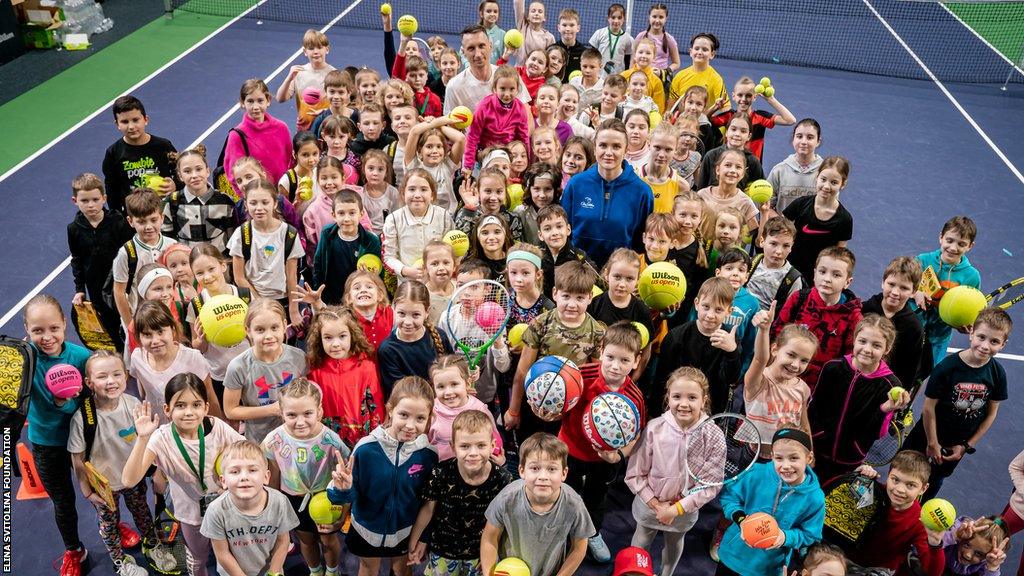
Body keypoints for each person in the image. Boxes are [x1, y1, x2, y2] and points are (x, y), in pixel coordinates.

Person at [122, 373, 246, 576]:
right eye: (180, 405)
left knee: (232, 553)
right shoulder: (160, 439)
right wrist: (143, 438)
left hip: (227, 506)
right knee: (198, 558)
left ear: (206, 408)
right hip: (191, 513)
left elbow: (247, 454)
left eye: (196, 405)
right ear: (167, 410)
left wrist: (234, 477)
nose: (189, 412)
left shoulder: (217, 428)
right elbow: (129, 480)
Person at [69, 351, 173, 576]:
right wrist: (87, 491)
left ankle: (152, 545)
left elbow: (146, 442)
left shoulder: (134, 404)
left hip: (133, 478)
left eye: (117, 374)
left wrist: (155, 470)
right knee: (109, 525)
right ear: (89, 382)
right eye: (102, 376)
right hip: (104, 488)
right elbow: (77, 459)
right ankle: (119, 561)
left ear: (126, 376)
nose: (111, 381)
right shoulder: (83, 417)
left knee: (142, 513)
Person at [552, 322, 646, 562]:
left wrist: (619, 455)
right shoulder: (580, 375)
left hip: (603, 459)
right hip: (569, 449)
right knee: (565, 493)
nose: (615, 366)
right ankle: (561, 533)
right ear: (601, 351)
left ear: (636, 361)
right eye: (611, 357)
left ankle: (591, 532)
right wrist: (548, 411)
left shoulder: (634, 397)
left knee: (596, 497)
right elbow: (557, 405)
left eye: (625, 360)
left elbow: (636, 435)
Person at [328, 377, 439, 576]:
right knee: (369, 568)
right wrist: (343, 490)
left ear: (429, 417)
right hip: (366, 530)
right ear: (390, 410)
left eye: (420, 418)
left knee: (402, 569)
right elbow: (346, 495)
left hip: (405, 531)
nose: (410, 426)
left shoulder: (429, 455)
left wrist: (424, 537)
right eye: (403, 415)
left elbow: (429, 502)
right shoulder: (366, 448)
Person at [905, 307, 1011, 500]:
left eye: (994, 341)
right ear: (971, 333)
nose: (985, 346)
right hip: (925, 437)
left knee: (934, 483)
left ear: (1003, 344)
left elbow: (990, 414)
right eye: (981, 337)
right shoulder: (946, 367)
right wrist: (932, 442)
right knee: (904, 475)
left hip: (955, 447)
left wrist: (966, 446)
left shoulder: (997, 374)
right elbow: (928, 409)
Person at [627, 367, 722, 576]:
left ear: (704, 399)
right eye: (677, 396)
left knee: (674, 542)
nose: (684, 403)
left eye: (692, 397)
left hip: (683, 511)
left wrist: (676, 509)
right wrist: (655, 503)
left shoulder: (713, 434)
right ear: (667, 397)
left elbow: (710, 484)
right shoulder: (654, 428)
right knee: (641, 541)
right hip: (650, 506)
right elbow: (635, 474)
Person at [22, 295, 92, 576]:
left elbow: (92, 402)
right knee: (63, 502)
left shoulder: (81, 357)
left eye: (53, 328)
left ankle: (114, 528)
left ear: (64, 324)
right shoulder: (24, 361)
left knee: (103, 492)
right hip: (46, 443)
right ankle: (74, 550)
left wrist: (69, 403)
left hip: (86, 439)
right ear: (26, 329)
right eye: (38, 331)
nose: (47, 337)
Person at [505, 259, 606, 433]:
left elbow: (595, 377)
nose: (572, 304)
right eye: (566, 296)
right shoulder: (540, 324)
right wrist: (514, 410)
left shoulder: (596, 332)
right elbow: (522, 370)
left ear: (590, 297)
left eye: (580, 298)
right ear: (555, 293)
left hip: (572, 407)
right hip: (535, 403)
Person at [409, 409, 514, 573]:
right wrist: (415, 541)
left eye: (481, 445)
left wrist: (495, 553)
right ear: (453, 446)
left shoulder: (503, 479)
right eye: (465, 446)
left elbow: (505, 522)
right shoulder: (441, 472)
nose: (473, 453)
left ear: (492, 445)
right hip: (442, 550)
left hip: (480, 553)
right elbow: (429, 510)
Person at [261, 379, 349, 576]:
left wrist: (343, 511)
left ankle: (333, 571)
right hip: (293, 499)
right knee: (306, 540)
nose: (300, 422)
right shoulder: (274, 439)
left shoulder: (331, 441)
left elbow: (344, 478)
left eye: (307, 413)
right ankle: (315, 571)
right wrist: (274, 506)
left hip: (326, 499)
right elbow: (273, 473)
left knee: (328, 540)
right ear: (281, 413)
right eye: (291, 415)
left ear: (319, 411)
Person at [809, 314, 909, 484]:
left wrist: (884, 409)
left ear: (887, 348)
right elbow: (813, 410)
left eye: (876, 345)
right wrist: (811, 440)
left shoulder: (890, 385)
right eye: (862, 341)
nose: (867, 349)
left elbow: (877, 433)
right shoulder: (832, 368)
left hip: (850, 459)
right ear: (854, 340)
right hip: (815, 451)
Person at [480, 433, 594, 576]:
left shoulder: (573, 504)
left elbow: (579, 548)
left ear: (564, 473)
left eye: (552, 469)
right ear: (522, 470)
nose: (543, 477)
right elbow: (489, 538)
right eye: (535, 468)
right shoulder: (507, 498)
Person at [717, 428, 825, 576]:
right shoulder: (756, 472)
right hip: (732, 557)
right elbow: (729, 497)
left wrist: (785, 537)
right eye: (779, 458)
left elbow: (810, 535)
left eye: (794, 458)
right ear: (772, 456)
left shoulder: (815, 498)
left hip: (768, 569)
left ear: (809, 458)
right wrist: (741, 520)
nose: (786, 465)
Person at [561, 119, 654, 268]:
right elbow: (564, 232)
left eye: (616, 146)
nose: (608, 153)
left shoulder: (642, 192)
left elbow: (640, 243)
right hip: (577, 272)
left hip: (619, 275)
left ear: (626, 150)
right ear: (594, 148)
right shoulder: (576, 185)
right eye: (603, 145)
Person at [200, 440, 298, 576]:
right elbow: (222, 553)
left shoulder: (279, 502)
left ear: (266, 477)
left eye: (252, 470)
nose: (244, 477)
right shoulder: (216, 510)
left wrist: (274, 572)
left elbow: (283, 541)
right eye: (235, 471)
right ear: (223, 481)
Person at [772, 247, 863, 390]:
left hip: (821, 388)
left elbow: (850, 358)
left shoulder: (853, 316)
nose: (827, 279)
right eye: (822, 271)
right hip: (784, 377)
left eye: (836, 275)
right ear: (814, 274)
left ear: (848, 281)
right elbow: (777, 334)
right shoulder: (798, 299)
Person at [843, 451, 945, 575]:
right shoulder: (872, 490)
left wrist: (935, 544)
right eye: (895, 480)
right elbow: (837, 503)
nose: (900, 489)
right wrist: (857, 476)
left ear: (923, 489)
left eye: (910, 485)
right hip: (844, 555)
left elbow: (933, 573)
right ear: (888, 475)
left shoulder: (920, 521)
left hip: (879, 569)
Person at [223, 299, 307, 443]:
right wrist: (272, 409)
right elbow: (230, 410)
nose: (269, 336)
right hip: (260, 440)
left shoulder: (299, 357)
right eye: (260, 330)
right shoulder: (238, 366)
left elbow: (306, 394)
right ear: (247, 330)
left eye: (274, 328)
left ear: (285, 325)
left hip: (297, 437)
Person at [654, 277, 741, 415]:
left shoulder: (730, 339)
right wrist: (656, 413)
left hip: (711, 412)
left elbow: (731, 379)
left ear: (729, 311)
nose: (710, 315)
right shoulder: (676, 337)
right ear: (697, 303)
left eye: (718, 310)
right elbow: (662, 378)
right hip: (677, 409)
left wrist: (732, 351)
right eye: (706, 307)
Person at [68, 173, 135, 350]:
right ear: (75, 201)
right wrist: (80, 289)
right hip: (95, 286)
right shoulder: (74, 229)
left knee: (128, 318)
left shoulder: (118, 222)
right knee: (108, 322)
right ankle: (121, 353)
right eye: (84, 200)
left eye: (95, 199)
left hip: (121, 282)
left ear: (104, 198)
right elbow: (77, 259)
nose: (90, 205)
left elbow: (131, 251)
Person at [744, 305, 818, 458]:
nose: (796, 365)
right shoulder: (759, 382)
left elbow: (803, 425)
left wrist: (809, 454)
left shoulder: (802, 388)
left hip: (784, 461)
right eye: (791, 355)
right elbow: (759, 359)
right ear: (774, 349)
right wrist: (764, 330)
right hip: (753, 457)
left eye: (804, 360)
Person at [304, 306, 385, 445]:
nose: (336, 344)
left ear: (352, 335)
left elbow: (376, 407)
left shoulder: (366, 367)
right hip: (325, 441)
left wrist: (376, 439)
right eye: (328, 338)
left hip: (362, 440)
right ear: (319, 339)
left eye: (342, 336)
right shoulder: (314, 370)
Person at [227, 180, 304, 325]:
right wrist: (259, 303)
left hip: (282, 300)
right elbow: (239, 277)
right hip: (253, 300)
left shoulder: (289, 234)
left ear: (275, 203)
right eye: (253, 203)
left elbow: (292, 276)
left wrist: (294, 310)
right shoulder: (241, 234)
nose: (259, 208)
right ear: (246, 205)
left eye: (265, 202)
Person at [186, 244, 252, 407]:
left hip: (251, 369)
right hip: (221, 375)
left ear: (223, 265)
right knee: (231, 421)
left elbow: (259, 331)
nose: (207, 277)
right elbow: (196, 346)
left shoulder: (244, 295)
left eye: (211, 269)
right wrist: (201, 341)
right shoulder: (197, 305)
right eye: (200, 273)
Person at [911, 215, 981, 367]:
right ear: (941, 237)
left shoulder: (972, 276)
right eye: (949, 240)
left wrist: (962, 323)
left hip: (939, 337)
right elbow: (904, 284)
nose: (953, 248)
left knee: (923, 377)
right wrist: (916, 293)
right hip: (911, 329)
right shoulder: (922, 260)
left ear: (970, 246)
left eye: (961, 244)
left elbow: (969, 309)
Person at [131, 300, 218, 420]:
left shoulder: (193, 358)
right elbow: (144, 394)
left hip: (191, 427)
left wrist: (217, 426)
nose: (155, 340)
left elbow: (210, 397)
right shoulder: (137, 358)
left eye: (160, 332)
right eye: (147, 334)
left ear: (172, 330)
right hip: (158, 429)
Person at [112, 190, 179, 331]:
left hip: (171, 316)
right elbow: (119, 292)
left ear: (162, 217)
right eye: (141, 222)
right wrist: (130, 324)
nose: (148, 227)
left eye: (153, 220)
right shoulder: (126, 254)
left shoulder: (172, 246)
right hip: (140, 320)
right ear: (131, 221)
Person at [861, 256, 926, 395]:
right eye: (891, 284)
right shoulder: (863, 310)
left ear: (914, 292)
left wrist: (900, 394)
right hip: (856, 380)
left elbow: (909, 370)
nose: (895, 292)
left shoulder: (913, 327)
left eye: (904, 288)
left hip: (884, 390)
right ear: (883, 283)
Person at [102, 95, 177, 214]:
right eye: (124, 122)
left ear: (145, 119)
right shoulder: (113, 153)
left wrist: (175, 186)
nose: (131, 126)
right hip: (134, 216)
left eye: (135, 120)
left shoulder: (163, 146)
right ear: (117, 124)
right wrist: (117, 217)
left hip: (164, 211)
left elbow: (180, 174)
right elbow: (112, 190)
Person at [783, 156, 854, 283]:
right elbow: (780, 230)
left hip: (819, 276)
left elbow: (840, 254)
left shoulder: (844, 219)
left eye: (834, 182)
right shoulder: (800, 204)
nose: (826, 186)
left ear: (843, 184)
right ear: (817, 177)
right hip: (790, 270)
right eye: (823, 179)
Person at [378, 281, 454, 396]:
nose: (408, 322)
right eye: (402, 314)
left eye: (415, 315)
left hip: (443, 400)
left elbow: (454, 367)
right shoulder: (387, 349)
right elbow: (397, 390)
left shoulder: (439, 336)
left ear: (426, 312)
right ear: (393, 308)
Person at [382, 169, 455, 284]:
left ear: (432, 195)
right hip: (408, 285)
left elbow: (451, 249)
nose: (417, 195)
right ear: (403, 193)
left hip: (438, 283)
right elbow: (388, 257)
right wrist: (406, 270)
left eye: (424, 189)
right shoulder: (393, 220)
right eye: (411, 189)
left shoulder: (443, 216)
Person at [223, 79, 293, 198]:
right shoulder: (236, 136)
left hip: (284, 195)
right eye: (250, 101)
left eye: (260, 101)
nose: (255, 107)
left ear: (268, 101)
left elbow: (290, 161)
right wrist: (249, 199)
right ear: (242, 103)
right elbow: (233, 174)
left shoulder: (282, 128)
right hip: (258, 200)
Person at [443, 25, 530, 116]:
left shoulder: (511, 77)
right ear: (463, 52)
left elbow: (527, 116)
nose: (478, 54)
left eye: (481, 46)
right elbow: (449, 125)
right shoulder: (454, 86)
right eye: (471, 48)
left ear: (490, 46)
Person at [313, 190, 382, 306]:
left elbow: (378, 274)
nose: (346, 219)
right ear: (333, 215)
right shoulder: (327, 234)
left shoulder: (371, 241)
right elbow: (318, 264)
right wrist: (319, 294)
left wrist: (370, 274)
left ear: (361, 214)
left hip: (358, 299)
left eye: (352, 213)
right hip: (331, 297)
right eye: (341, 213)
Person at [162, 146, 236, 252]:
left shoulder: (225, 201)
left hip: (219, 264)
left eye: (199, 169)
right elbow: (167, 239)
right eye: (187, 171)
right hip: (188, 264)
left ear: (207, 171)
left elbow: (233, 239)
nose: (194, 175)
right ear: (180, 176)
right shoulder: (171, 203)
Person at [709, 76, 797, 161]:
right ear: (733, 96)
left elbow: (790, 120)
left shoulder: (760, 118)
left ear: (754, 97)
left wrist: (771, 99)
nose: (743, 99)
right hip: (729, 166)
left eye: (748, 95)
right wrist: (715, 108)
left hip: (753, 170)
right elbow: (704, 121)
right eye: (740, 95)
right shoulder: (728, 116)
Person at [462, 66, 531, 173]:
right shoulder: (484, 106)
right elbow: (472, 136)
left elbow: (523, 138)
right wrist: (467, 166)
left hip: (508, 154)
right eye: (502, 89)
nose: (507, 94)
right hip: (485, 152)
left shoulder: (520, 108)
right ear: (495, 88)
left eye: (512, 89)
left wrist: (527, 163)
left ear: (517, 89)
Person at [275, 29, 335, 130]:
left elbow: (343, 104)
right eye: (311, 48)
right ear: (305, 51)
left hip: (327, 128)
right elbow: (280, 98)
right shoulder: (299, 73)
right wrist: (289, 79)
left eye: (320, 47)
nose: (316, 52)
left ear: (327, 49)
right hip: (304, 129)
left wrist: (325, 111)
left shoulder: (334, 74)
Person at [407, 115, 465, 215]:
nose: (435, 151)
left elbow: (460, 138)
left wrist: (438, 125)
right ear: (420, 151)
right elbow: (414, 132)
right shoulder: (414, 167)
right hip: (420, 217)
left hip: (446, 217)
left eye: (439, 146)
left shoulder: (447, 166)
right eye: (429, 146)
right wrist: (438, 121)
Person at [746, 216, 803, 313]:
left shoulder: (793, 279)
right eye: (773, 244)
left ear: (791, 247)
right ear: (762, 241)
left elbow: (790, 315)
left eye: (786, 246)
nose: (779, 251)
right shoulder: (750, 262)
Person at [696, 114, 765, 192]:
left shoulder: (753, 161)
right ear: (726, 132)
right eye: (733, 129)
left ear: (749, 136)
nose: (737, 134)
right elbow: (701, 188)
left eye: (743, 131)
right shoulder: (711, 156)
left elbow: (761, 187)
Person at [767, 119, 824, 213]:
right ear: (793, 139)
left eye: (810, 137)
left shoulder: (825, 171)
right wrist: (780, 224)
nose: (804, 141)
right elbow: (767, 207)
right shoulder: (779, 170)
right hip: (784, 227)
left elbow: (831, 207)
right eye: (799, 136)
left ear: (818, 141)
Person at [668, 33, 729, 116]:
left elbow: (726, 109)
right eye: (696, 48)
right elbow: (671, 108)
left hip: (704, 124)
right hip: (681, 123)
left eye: (705, 50)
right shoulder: (680, 76)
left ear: (712, 54)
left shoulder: (716, 79)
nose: (700, 52)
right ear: (690, 52)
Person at [940, 516, 1010, 576]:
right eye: (967, 545)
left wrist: (992, 567)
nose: (968, 555)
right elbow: (931, 545)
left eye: (978, 554)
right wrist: (954, 536)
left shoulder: (988, 560)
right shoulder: (959, 533)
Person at [633, 3, 680, 81]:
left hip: (660, 80)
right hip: (641, 78)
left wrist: (664, 72)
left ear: (666, 19)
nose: (657, 20)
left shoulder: (669, 39)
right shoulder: (640, 36)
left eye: (661, 17)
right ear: (649, 17)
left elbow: (676, 63)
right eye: (654, 16)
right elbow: (633, 59)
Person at [310, 70, 360, 138]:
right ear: (326, 92)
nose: (336, 97)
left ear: (349, 93)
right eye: (332, 92)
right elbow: (312, 143)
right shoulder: (320, 120)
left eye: (341, 92)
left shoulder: (358, 117)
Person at [589, 3, 633, 75]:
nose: (616, 21)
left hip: (618, 76)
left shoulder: (628, 39)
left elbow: (627, 60)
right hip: (599, 75)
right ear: (608, 18)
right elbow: (592, 55)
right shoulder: (599, 33)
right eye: (613, 17)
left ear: (624, 19)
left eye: (619, 18)